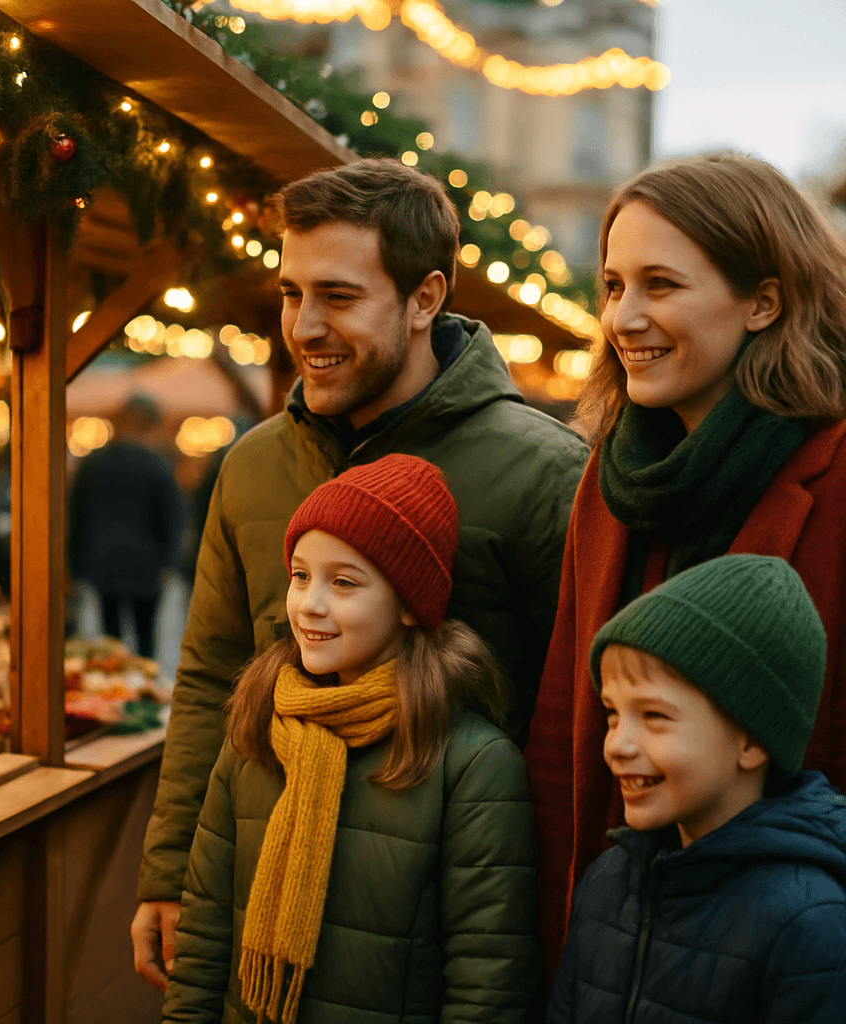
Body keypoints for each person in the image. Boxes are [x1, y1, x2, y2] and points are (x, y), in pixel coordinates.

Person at [132, 158, 587, 992]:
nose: (303, 326)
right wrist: (169, 871)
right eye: (290, 293)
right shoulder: (252, 466)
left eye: (338, 298)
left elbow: (573, 725)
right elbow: (209, 680)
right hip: (265, 915)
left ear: (425, 299)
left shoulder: (547, 476)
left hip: (445, 945)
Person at [523, 151, 846, 983]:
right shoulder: (608, 477)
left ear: (763, 301)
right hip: (617, 937)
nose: (624, 317)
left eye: (660, 285)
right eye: (613, 286)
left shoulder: (837, 470)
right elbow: (567, 718)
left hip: (790, 953)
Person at [162, 455, 541, 1024]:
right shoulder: (258, 731)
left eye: (343, 582)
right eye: (300, 575)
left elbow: (488, 983)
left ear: (411, 604)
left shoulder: (471, 764)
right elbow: (202, 944)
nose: (311, 604)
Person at [545, 555, 846, 1023]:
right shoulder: (608, 882)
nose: (617, 745)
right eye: (611, 713)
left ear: (753, 740)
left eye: (654, 717)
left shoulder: (810, 924)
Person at [67, 394, 184, 658]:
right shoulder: (156, 465)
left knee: (111, 638)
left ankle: (114, 687)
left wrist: (74, 566)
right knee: (146, 638)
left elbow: (76, 515)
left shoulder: (92, 464)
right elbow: (172, 518)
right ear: (148, 425)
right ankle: (143, 692)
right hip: (146, 564)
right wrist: (169, 562)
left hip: (101, 561)